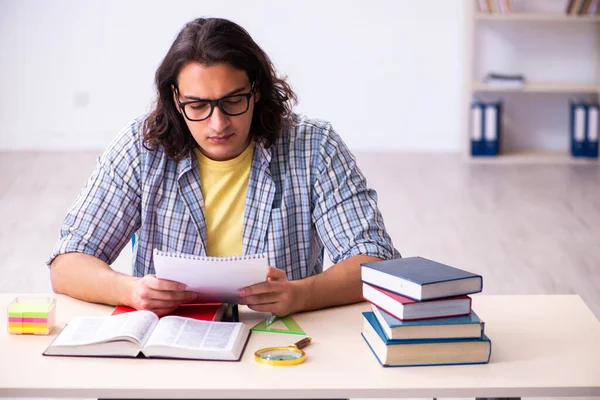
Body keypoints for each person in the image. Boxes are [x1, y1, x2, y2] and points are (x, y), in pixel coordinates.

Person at [47, 17, 400, 317]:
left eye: (233, 101)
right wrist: (129, 290)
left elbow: (374, 261)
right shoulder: (142, 148)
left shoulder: (314, 146)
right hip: (172, 346)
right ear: (175, 98)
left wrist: (301, 294)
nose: (218, 124)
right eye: (198, 106)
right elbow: (67, 264)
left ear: (256, 90)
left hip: (281, 344)